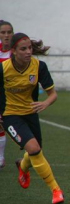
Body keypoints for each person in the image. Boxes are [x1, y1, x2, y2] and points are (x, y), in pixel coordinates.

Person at [0, 33, 64, 204]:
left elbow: (53, 94)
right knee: (34, 148)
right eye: (23, 49)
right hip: (10, 115)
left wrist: (45, 104)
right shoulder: (3, 69)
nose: (28, 52)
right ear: (13, 51)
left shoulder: (38, 66)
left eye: (29, 48)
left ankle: (22, 166)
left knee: (35, 150)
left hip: (31, 114)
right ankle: (56, 190)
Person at [0, 20, 14, 169]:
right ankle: (1, 158)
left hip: (13, 94)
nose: (6, 35)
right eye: (3, 32)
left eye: (9, 32)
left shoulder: (16, 51)